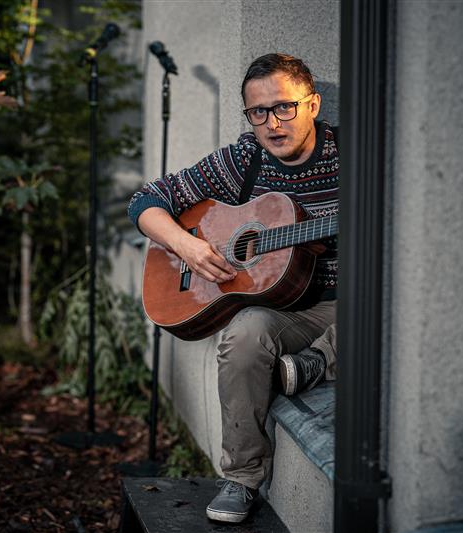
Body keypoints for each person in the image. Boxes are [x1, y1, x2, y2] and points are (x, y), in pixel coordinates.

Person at [127, 53, 338, 523]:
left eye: (284, 107)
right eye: (258, 112)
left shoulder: (353, 158)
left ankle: (317, 361)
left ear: (313, 105)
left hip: (346, 306)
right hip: (286, 312)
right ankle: (242, 478)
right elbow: (145, 201)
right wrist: (187, 246)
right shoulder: (246, 158)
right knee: (243, 334)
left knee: (379, 310)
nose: (272, 124)